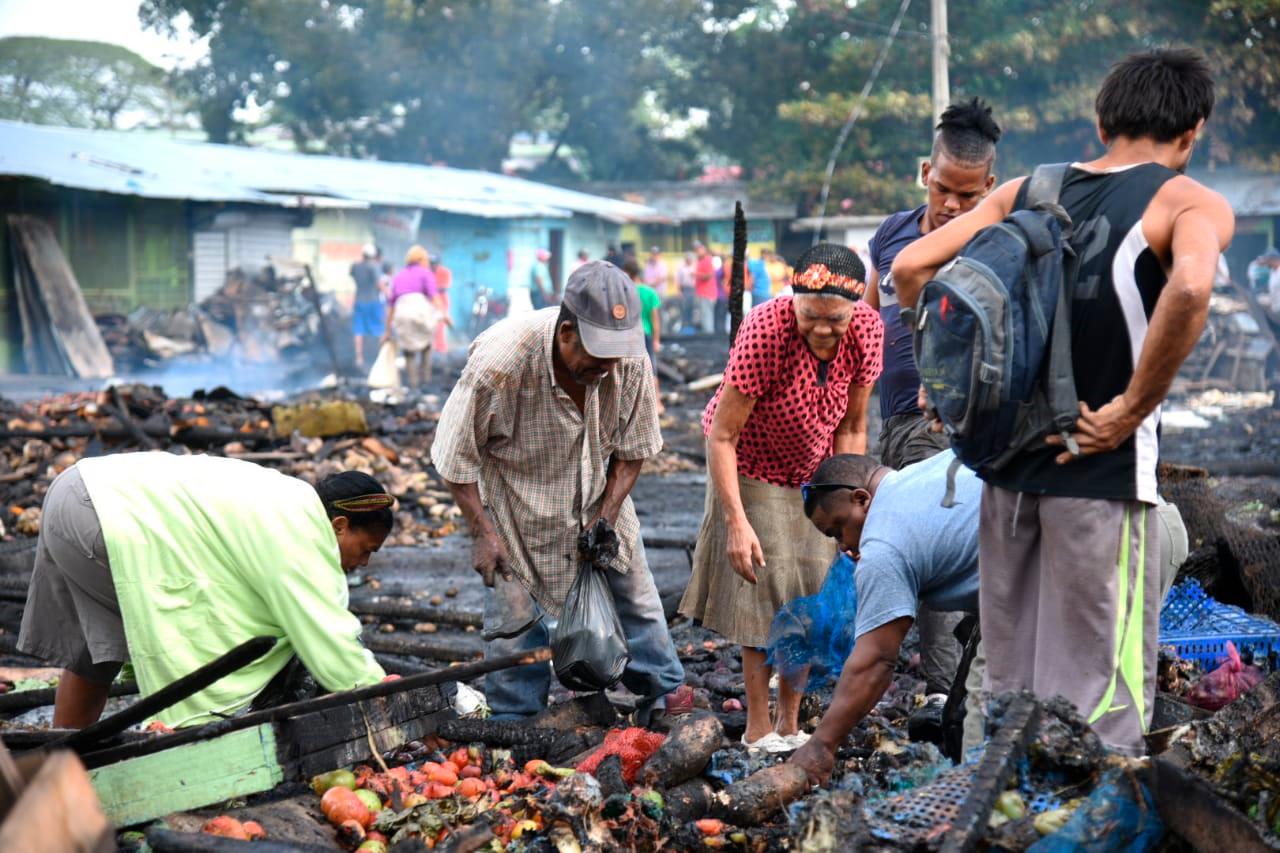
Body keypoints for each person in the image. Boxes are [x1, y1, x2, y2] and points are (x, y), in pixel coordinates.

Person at [892, 49, 1235, 756]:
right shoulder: (1187, 201)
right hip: (1100, 477)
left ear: (1102, 119)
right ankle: (1088, 825)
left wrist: (947, 385)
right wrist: (1132, 407)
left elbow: (911, 267)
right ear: (1193, 130)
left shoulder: (1028, 189)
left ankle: (1009, 812)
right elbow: (1193, 289)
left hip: (1006, 477)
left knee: (1012, 679)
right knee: (1105, 691)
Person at [785, 451, 1192, 784]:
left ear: (862, 499)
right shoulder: (917, 479)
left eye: (837, 530)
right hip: (1128, 533)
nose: (842, 545)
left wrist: (823, 745)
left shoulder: (884, 544)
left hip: (1124, 547)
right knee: (985, 719)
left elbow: (876, 660)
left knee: (1089, 716)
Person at [430, 261, 684, 723]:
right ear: (566, 332)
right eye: (595, 359)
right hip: (515, 514)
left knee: (638, 600)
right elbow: (454, 458)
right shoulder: (500, 365)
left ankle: (662, 697)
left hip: (598, 500)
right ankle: (515, 723)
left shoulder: (628, 361)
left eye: (613, 360)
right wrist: (482, 533)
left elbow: (634, 450)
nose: (605, 370)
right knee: (514, 626)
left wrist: (606, 514)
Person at [679, 243, 884, 751]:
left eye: (834, 319)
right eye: (811, 316)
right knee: (762, 589)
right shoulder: (765, 330)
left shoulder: (867, 331)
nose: (822, 329)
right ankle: (757, 727)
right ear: (794, 302)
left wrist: (846, 501)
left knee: (810, 595)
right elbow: (722, 436)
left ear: (854, 310)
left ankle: (791, 725)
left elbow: (854, 427)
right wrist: (736, 520)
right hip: (749, 462)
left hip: (815, 467)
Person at [18, 455, 393, 729]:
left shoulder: (286, 500)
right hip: (103, 516)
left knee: (96, 654)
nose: (363, 564)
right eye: (366, 550)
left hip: (77, 488)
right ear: (340, 525)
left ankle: (63, 761)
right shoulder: (301, 531)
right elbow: (323, 629)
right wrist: (382, 694)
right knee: (168, 639)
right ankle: (167, 750)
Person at [865, 97, 1003, 724]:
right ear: (926, 171)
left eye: (967, 196)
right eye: (944, 188)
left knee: (933, 539)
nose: (951, 205)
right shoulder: (891, 236)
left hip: (951, 421)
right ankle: (952, 686)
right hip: (894, 419)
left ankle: (948, 692)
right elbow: (865, 325)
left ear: (991, 188)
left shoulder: (995, 244)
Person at [386, 244, 443, 390]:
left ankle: (413, 385)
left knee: (409, 351)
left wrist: (387, 331)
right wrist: (444, 315)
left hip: (401, 315)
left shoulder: (399, 275)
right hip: (419, 313)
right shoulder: (425, 273)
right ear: (422, 259)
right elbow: (435, 297)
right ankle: (426, 381)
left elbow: (391, 307)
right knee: (427, 345)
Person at [625, 258, 665, 416]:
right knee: (651, 369)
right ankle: (658, 404)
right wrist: (656, 340)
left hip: (628, 335)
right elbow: (655, 320)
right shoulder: (650, 293)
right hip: (645, 334)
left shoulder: (624, 293)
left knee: (629, 370)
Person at [350, 244, 386, 368]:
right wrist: (389, 294)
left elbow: (354, 278)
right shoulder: (374, 266)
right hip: (373, 302)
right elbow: (379, 284)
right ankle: (382, 357)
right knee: (380, 329)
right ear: (373, 255)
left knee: (358, 330)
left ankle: (359, 358)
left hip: (359, 301)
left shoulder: (355, 266)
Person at [430, 252, 453, 356]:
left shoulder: (445, 272)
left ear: (438, 263)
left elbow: (444, 286)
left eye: (434, 263)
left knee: (440, 325)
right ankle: (432, 347)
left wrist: (431, 289)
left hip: (442, 300)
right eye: (431, 263)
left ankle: (440, 349)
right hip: (431, 301)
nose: (432, 265)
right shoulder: (427, 272)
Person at [693, 242, 717, 333]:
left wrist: (696, 274)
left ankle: (709, 339)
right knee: (704, 316)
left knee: (707, 317)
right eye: (696, 250)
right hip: (702, 293)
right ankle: (707, 336)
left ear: (704, 250)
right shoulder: (700, 261)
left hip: (707, 293)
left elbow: (709, 275)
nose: (697, 251)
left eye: (699, 249)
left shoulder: (707, 260)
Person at [677, 252, 697, 330]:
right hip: (685, 289)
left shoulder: (694, 267)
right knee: (684, 307)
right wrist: (679, 291)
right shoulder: (681, 268)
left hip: (693, 289)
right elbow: (678, 280)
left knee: (692, 307)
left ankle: (691, 325)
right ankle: (685, 324)